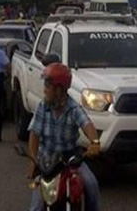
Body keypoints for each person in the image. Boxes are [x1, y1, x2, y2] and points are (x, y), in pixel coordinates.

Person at [26, 62, 101, 211]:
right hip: (47, 162)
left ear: (59, 89)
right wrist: (34, 159)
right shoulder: (42, 107)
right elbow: (34, 134)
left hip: (70, 161)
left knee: (91, 185)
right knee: (35, 207)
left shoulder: (73, 108)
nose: (45, 89)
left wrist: (95, 142)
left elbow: (87, 124)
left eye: (48, 85)